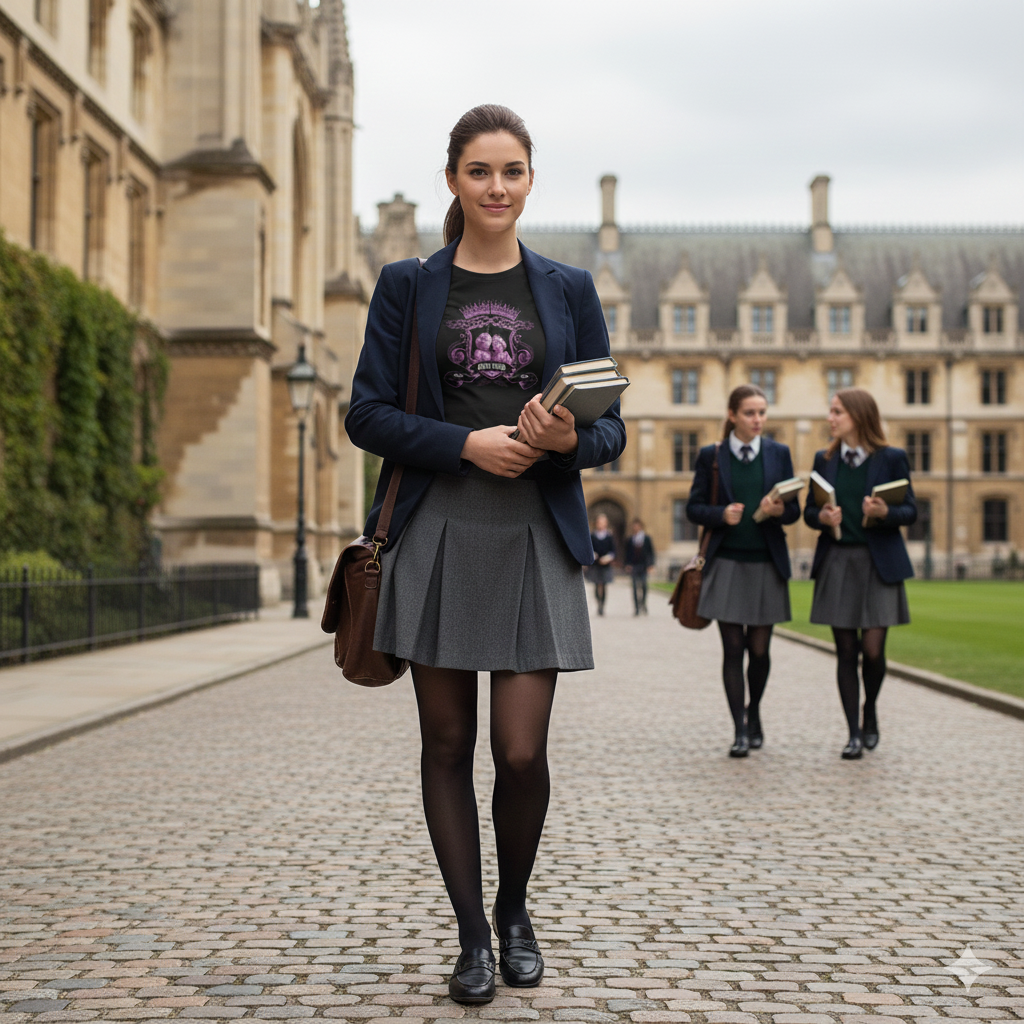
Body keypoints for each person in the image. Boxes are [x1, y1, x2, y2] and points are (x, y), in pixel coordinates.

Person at [344, 104, 626, 1006]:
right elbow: (366, 414)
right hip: (438, 522)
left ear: (530, 180)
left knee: (519, 752)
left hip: (533, 528)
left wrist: (557, 442)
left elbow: (611, 426)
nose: (496, 187)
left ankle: (514, 911)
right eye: (479, 171)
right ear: (454, 180)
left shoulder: (568, 288)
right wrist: (464, 445)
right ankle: (471, 936)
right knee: (447, 740)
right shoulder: (408, 285)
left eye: (512, 171)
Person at [686, 384, 800, 757]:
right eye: (750, 413)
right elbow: (694, 508)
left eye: (762, 413)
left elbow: (795, 510)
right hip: (727, 564)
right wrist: (722, 514)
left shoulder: (779, 453)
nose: (758, 420)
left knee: (760, 650)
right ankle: (738, 729)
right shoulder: (712, 455)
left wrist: (782, 510)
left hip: (766, 562)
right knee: (733, 648)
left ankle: (754, 713)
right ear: (733, 415)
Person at [804, 387, 916, 760]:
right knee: (845, 651)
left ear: (857, 415)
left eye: (837, 412)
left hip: (877, 562)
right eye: (831, 411)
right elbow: (808, 512)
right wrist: (821, 517)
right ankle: (853, 732)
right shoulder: (824, 459)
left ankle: (870, 711)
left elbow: (911, 511)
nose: (830, 418)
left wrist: (886, 514)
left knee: (873, 651)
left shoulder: (892, 458)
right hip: (838, 560)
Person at [623, 518, 655, 615]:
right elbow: (627, 554)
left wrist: (651, 565)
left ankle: (643, 604)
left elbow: (651, 553)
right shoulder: (630, 539)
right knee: (635, 587)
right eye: (634, 526)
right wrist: (627, 564)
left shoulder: (646, 539)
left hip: (644, 566)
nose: (635, 527)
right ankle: (636, 608)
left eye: (637, 526)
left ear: (640, 526)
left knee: (644, 586)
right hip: (634, 566)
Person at [589, 513, 616, 615]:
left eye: (603, 522)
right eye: (599, 522)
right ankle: (598, 602)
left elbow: (613, 551)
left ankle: (602, 605)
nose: (600, 524)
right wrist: (593, 555)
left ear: (606, 524)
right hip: (595, 564)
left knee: (604, 585)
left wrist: (607, 558)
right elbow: (589, 549)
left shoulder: (609, 536)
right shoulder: (592, 536)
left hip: (605, 564)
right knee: (596, 585)